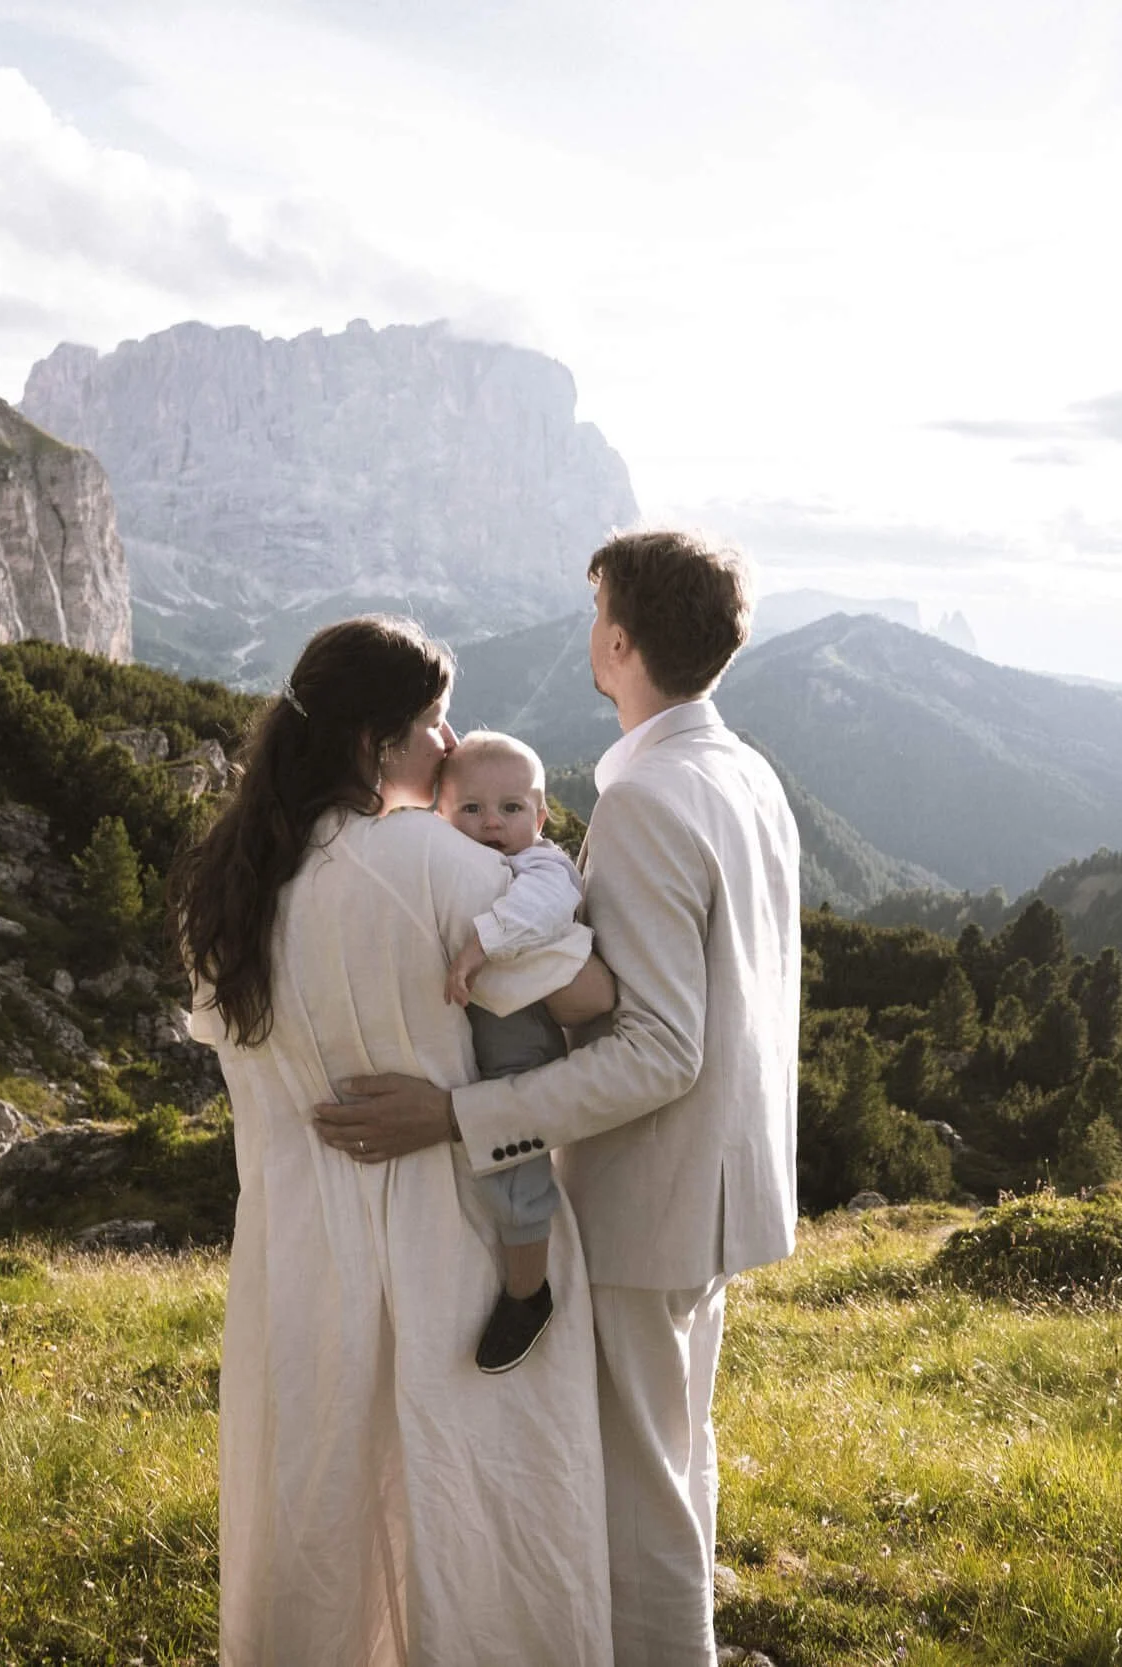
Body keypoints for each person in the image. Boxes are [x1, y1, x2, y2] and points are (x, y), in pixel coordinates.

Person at [324, 531, 804, 1667]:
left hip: (652, 1190)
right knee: (677, 1458)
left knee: (641, 1499)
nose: (589, 633)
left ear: (621, 640)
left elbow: (657, 1052)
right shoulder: (746, 771)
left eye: (596, 614)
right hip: (728, 1183)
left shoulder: (644, 795)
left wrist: (457, 1114)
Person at [174, 614, 622, 1666]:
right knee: (484, 1511)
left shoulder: (231, 886)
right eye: (429, 720)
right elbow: (588, 996)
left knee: (322, 1510)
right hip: (448, 1226)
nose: (449, 737)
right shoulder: (428, 859)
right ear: (377, 744)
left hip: (294, 1238)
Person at [435, 728, 582, 1372]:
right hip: (471, 1040)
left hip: (521, 1039)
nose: (492, 823)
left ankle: (529, 1291)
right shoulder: (448, 853)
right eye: (471, 809)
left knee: (517, 1170)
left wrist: (481, 943)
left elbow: (548, 907)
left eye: (511, 809)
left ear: (541, 817)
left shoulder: (542, 865)